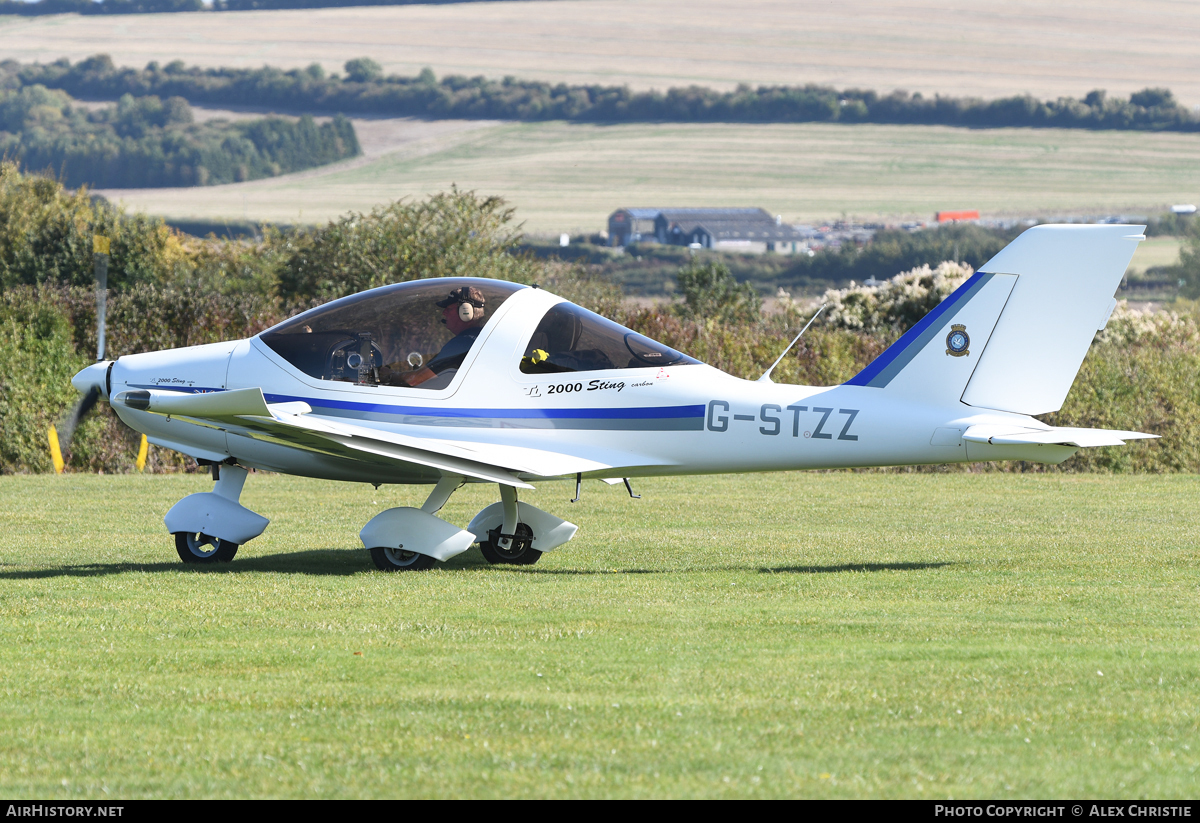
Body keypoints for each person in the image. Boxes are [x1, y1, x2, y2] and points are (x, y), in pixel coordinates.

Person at [404, 286, 487, 388]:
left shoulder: (462, 344)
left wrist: (390, 375)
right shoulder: (483, 340)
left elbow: (415, 379)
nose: (444, 313)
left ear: (466, 312)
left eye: (449, 309)